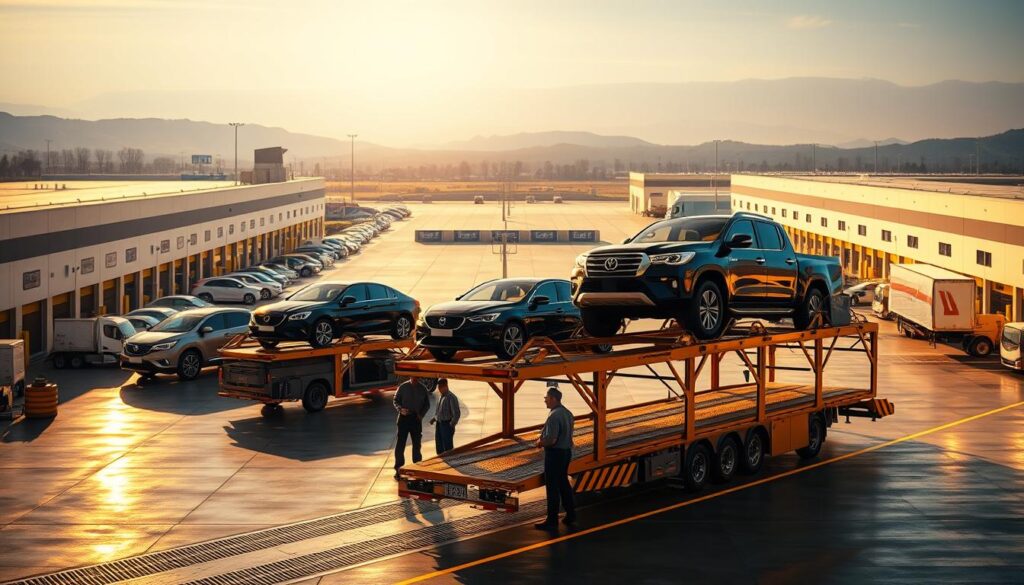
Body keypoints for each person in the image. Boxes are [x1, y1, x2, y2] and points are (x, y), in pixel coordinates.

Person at [534, 383, 576, 529]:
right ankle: (571, 514)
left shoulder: (553, 416)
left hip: (555, 455)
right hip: (566, 452)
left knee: (552, 487)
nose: (544, 400)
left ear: (553, 398)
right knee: (564, 483)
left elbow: (552, 440)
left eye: (546, 397)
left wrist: (540, 442)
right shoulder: (568, 413)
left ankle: (552, 520)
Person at [393, 377, 430, 480]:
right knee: (400, 445)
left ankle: (417, 468)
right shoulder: (403, 387)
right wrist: (400, 409)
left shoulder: (422, 388)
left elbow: (427, 404)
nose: (415, 379)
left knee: (417, 444)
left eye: (416, 377)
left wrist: (421, 415)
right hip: (404, 419)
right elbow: (395, 400)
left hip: (416, 419)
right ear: (410, 377)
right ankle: (399, 469)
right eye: (413, 377)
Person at [430, 378, 460, 454]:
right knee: (439, 446)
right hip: (439, 424)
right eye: (438, 387)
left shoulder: (451, 397)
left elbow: (456, 414)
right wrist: (434, 418)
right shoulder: (441, 397)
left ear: (446, 386)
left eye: (440, 387)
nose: (439, 389)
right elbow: (439, 411)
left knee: (447, 448)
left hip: (447, 425)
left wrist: (451, 425)